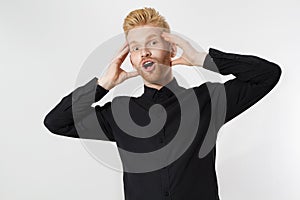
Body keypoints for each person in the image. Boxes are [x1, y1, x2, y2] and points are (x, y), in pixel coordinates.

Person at [43, 7, 282, 200]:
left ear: (171, 50)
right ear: (133, 60)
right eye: (135, 48)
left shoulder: (208, 101)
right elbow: (56, 122)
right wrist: (103, 84)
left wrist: (202, 59)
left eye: (152, 43)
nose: (144, 52)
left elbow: (267, 75)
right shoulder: (118, 113)